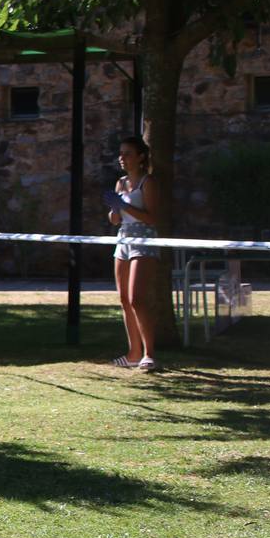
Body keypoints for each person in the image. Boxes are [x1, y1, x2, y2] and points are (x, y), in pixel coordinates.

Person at [106, 136, 160, 372]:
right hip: (123, 238)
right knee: (124, 300)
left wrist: (125, 206)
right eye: (121, 154)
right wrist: (114, 209)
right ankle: (133, 353)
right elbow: (114, 219)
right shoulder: (121, 183)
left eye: (127, 153)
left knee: (137, 297)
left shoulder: (147, 182)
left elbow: (152, 217)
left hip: (144, 238)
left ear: (140, 157)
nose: (122, 158)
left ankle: (149, 354)